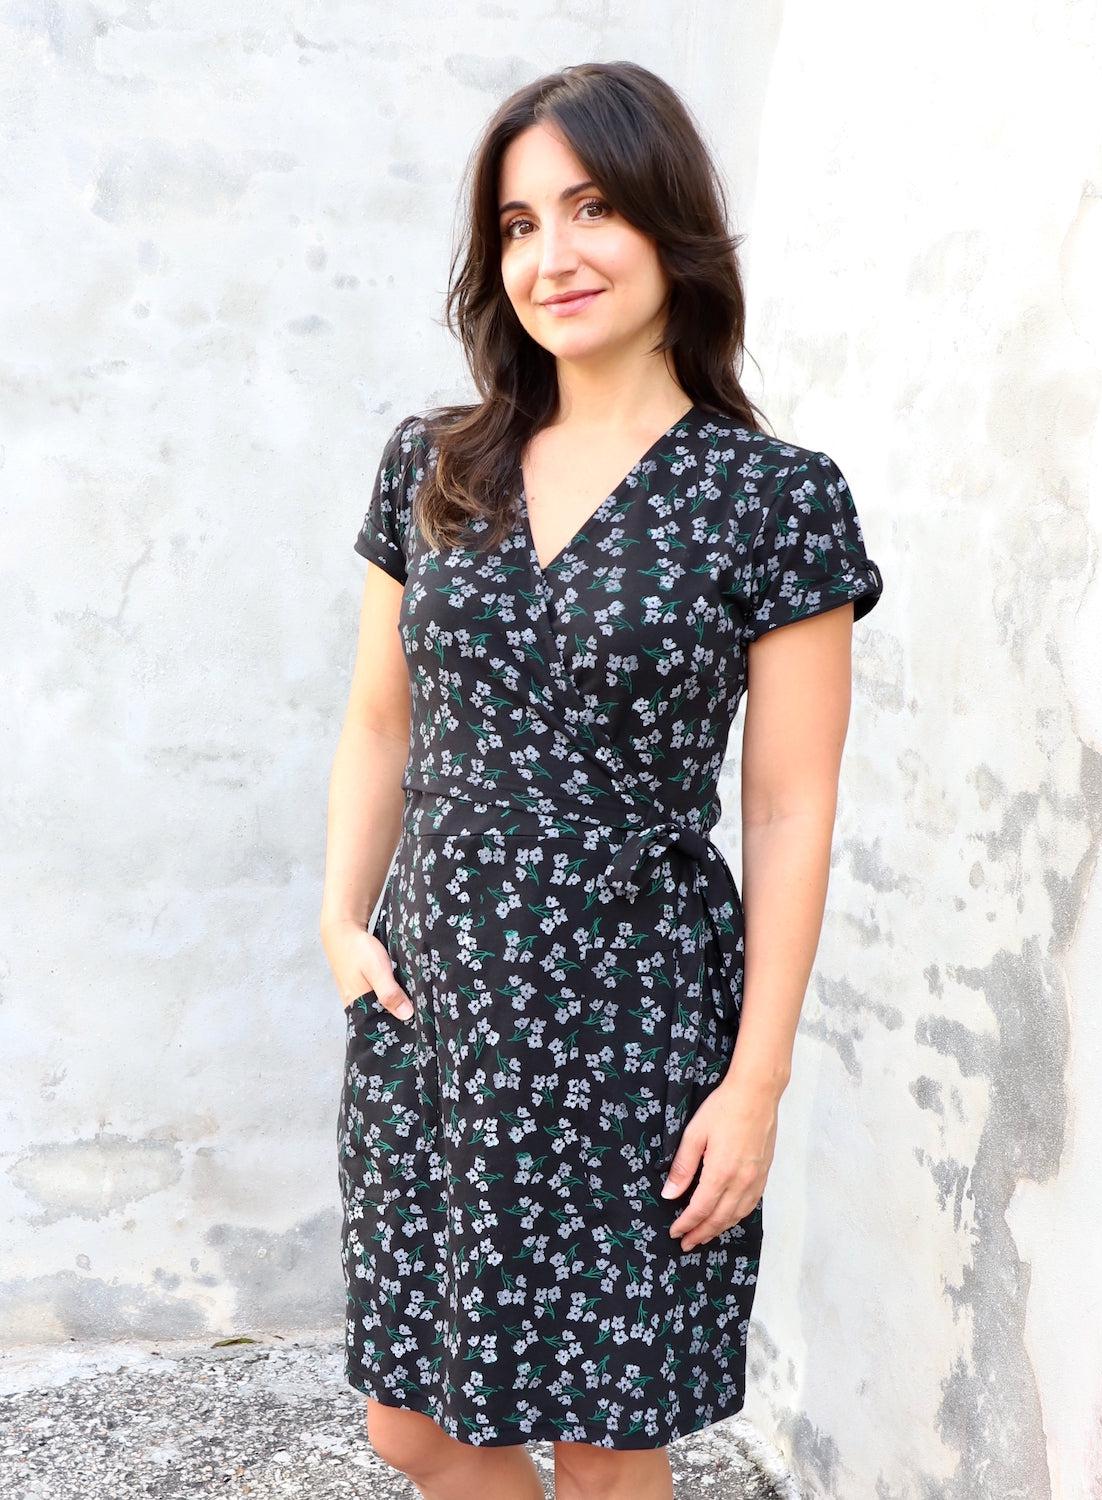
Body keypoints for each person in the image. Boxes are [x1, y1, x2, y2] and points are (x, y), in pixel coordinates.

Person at [320, 59, 883, 1500]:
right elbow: (380, 721)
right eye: (517, 225)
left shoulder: (773, 498)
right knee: (415, 1422)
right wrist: (339, 920)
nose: (551, 256)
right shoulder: (434, 464)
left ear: (667, 223)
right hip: (436, 1014)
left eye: (591, 209)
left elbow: (789, 807)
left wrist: (755, 1083)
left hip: (634, 1018)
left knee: (605, 1441)